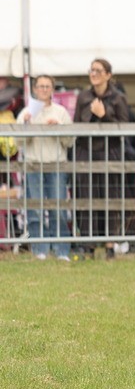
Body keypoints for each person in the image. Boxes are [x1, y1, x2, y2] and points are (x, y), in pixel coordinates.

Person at [73, 58, 132, 259]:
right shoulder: (83, 97)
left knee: (110, 196)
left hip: (110, 151)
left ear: (108, 74)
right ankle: (88, 244)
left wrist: (104, 114)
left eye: (98, 70)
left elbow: (125, 127)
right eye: (91, 70)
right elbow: (76, 124)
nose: (94, 73)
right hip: (86, 151)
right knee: (87, 197)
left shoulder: (118, 98)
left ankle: (109, 243)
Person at [17, 75, 74, 260]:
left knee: (58, 208)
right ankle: (39, 250)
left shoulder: (61, 112)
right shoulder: (26, 112)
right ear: (34, 89)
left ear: (52, 89)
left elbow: (70, 141)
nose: (43, 89)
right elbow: (19, 142)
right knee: (35, 209)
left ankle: (61, 250)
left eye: (47, 86)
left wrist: (58, 129)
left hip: (56, 164)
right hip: (33, 165)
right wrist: (26, 126)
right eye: (40, 86)